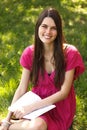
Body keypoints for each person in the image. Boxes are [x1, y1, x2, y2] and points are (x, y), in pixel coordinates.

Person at [0, 7, 85, 130]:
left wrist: (30, 107)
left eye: (53, 28)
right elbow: (22, 88)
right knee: (37, 125)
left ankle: (10, 125)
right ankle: (6, 124)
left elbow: (63, 93)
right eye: (44, 26)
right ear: (38, 28)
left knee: (36, 126)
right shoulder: (30, 53)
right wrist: (8, 119)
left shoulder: (70, 53)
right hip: (37, 101)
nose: (48, 32)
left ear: (59, 31)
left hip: (60, 107)